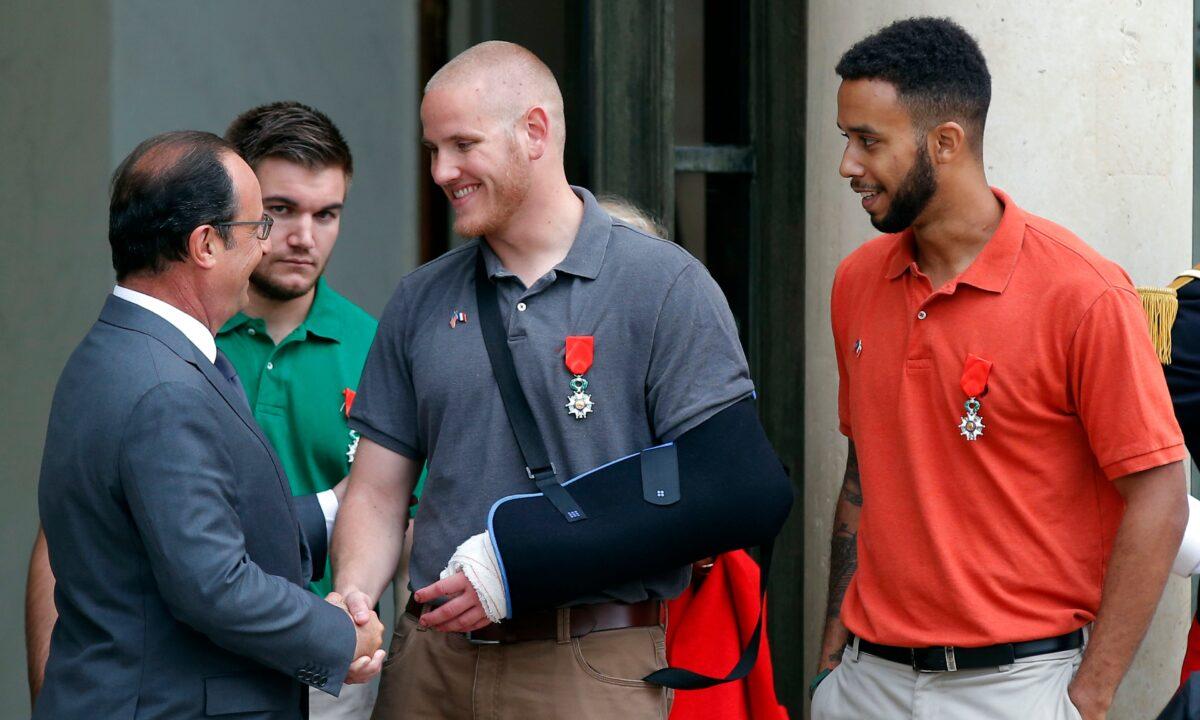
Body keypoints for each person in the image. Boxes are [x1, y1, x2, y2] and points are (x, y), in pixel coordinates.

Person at [331, 41, 754, 719]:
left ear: (534, 132)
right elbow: (379, 494)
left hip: (588, 662)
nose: (442, 171)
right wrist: (353, 595)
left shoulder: (664, 284)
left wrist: (525, 563)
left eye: (462, 145)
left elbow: (725, 488)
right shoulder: (420, 298)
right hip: (431, 661)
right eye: (433, 149)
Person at [813, 17, 1186, 720]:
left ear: (945, 143)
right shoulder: (856, 282)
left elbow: (1160, 497)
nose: (848, 166)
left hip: (1014, 691)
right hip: (864, 686)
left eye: (869, 141)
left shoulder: (1082, 294)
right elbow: (863, 471)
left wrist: (1089, 696)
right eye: (846, 139)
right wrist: (830, 664)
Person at [31, 130, 384, 720]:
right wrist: (340, 636)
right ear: (205, 245)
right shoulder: (165, 384)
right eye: (258, 228)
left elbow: (181, 528)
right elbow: (213, 584)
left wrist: (333, 505)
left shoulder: (121, 348)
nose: (267, 247)